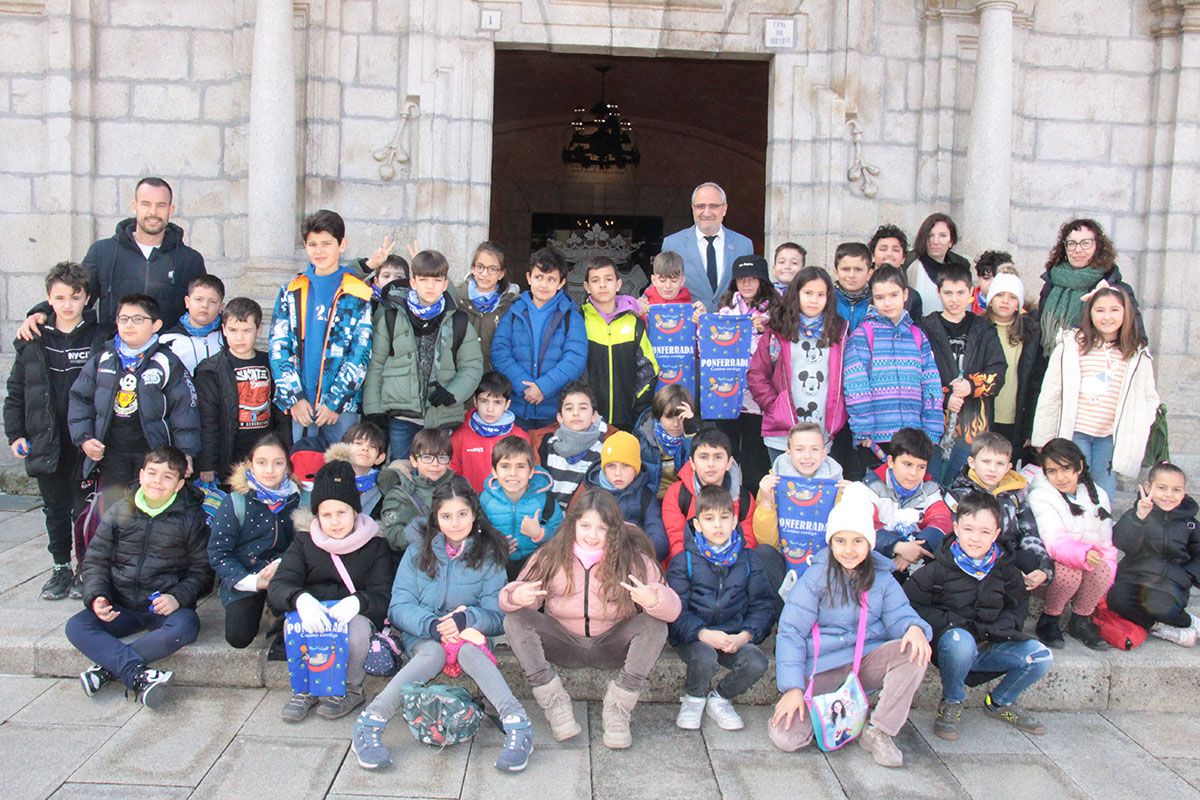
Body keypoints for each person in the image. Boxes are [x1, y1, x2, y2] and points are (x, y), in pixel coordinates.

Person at [352, 475, 533, 773]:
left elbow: (498, 614)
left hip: (471, 633)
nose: (455, 523)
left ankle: (517, 723)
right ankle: (371, 721)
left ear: (474, 514)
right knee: (432, 653)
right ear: (435, 517)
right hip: (424, 632)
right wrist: (433, 625)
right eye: (446, 516)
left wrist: (466, 619)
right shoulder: (416, 551)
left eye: (462, 514)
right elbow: (399, 606)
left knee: (469, 651)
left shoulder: (489, 554)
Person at [500, 489, 682, 749]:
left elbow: (673, 609)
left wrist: (653, 599)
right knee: (514, 621)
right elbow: (511, 597)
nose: (592, 535)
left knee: (655, 624)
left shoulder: (634, 559)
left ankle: (619, 707)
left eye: (602, 528)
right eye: (585, 525)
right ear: (573, 524)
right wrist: (517, 596)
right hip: (563, 643)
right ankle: (554, 702)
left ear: (614, 530)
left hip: (613, 645)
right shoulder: (551, 555)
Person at [769, 484, 932, 767]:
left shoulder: (882, 579)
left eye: (857, 541)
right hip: (821, 668)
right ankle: (836, 710)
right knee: (787, 738)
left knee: (914, 650)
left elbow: (900, 615)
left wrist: (914, 628)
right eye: (840, 541)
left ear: (869, 543)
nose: (848, 550)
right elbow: (791, 632)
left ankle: (879, 730)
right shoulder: (815, 578)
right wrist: (793, 688)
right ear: (830, 543)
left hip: (864, 665)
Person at [65, 446, 213, 708]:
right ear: (141, 474)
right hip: (120, 604)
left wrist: (177, 597)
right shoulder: (120, 510)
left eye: (167, 477)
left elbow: (203, 571)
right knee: (76, 626)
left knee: (185, 626)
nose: (157, 481)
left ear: (179, 485)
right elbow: (96, 559)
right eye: (152, 473)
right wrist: (98, 596)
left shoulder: (192, 518)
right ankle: (138, 675)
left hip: (161, 605)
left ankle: (108, 669)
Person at [904, 490, 1051, 741]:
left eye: (985, 532)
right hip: (953, 646)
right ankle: (951, 701)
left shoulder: (1006, 569)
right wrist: (950, 624)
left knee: (1040, 656)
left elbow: (1018, 606)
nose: (975, 538)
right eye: (968, 529)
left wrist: (1002, 627)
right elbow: (911, 605)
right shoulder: (937, 569)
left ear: (996, 534)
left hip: (990, 642)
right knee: (960, 640)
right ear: (956, 528)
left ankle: (1000, 702)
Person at [5, 261, 105, 600]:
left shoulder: (100, 336)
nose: (67, 305)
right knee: (55, 509)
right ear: (49, 299)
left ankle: (85, 569)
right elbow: (17, 392)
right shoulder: (32, 339)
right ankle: (60, 567)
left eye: (75, 298)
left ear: (87, 299)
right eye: (60, 297)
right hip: (46, 440)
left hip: (85, 441)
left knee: (85, 508)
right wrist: (16, 434)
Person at [268, 458, 394, 721]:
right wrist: (299, 598)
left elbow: (384, 595)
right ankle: (305, 689)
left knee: (358, 629)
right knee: (296, 622)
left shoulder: (375, 545)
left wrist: (359, 601)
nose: (335, 522)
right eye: (326, 515)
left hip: (352, 617)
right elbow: (280, 585)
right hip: (314, 614)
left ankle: (351, 688)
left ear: (355, 511)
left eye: (342, 513)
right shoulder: (304, 541)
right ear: (317, 515)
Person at [18, 177, 206, 338]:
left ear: (171, 209)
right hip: (113, 355)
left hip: (169, 358)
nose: (153, 212)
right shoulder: (103, 252)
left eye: (161, 205)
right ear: (135, 206)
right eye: (146, 204)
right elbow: (76, 292)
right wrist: (41, 312)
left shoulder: (190, 260)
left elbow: (203, 307)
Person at [1032, 283, 1159, 500]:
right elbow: (1051, 392)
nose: (1107, 317)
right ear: (1089, 313)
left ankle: (1099, 533)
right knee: (1072, 489)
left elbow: (1148, 397)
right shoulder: (1072, 345)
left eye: (1114, 310)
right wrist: (1043, 437)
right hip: (1076, 432)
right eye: (1100, 310)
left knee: (1102, 493)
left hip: (1109, 437)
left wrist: (1137, 427)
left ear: (1126, 313)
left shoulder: (1135, 353)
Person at [68, 293, 201, 496]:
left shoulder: (167, 362)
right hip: (112, 452)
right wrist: (85, 438)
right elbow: (80, 399)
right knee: (115, 511)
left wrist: (187, 452)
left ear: (156, 325)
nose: (129, 325)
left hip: (153, 453)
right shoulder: (103, 359)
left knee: (149, 506)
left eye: (138, 319)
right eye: (124, 319)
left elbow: (185, 409)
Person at [667, 485, 774, 731]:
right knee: (705, 657)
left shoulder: (748, 560)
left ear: (735, 520)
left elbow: (763, 606)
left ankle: (721, 697)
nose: (718, 525)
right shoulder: (684, 561)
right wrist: (702, 633)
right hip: (694, 636)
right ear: (697, 524)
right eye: (709, 518)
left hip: (731, 635)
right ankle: (694, 697)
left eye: (724, 518)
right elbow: (675, 612)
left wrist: (745, 635)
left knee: (756, 662)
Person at [363, 248, 483, 460]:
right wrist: (373, 409)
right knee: (400, 471)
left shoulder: (458, 321)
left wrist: (453, 393)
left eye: (437, 280)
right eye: (424, 279)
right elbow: (377, 364)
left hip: (441, 414)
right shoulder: (391, 317)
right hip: (401, 415)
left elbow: (472, 366)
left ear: (445, 284)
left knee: (437, 472)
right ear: (413, 282)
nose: (430, 286)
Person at [269, 210, 374, 449]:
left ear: (342, 244)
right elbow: (278, 347)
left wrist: (336, 401)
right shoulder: (292, 290)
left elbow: (360, 352)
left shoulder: (357, 293)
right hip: (302, 404)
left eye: (327, 243)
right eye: (313, 244)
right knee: (304, 467)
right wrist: (294, 397)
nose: (319, 251)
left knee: (342, 470)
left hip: (340, 406)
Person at [843, 266, 944, 472]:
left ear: (905, 294)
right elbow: (855, 385)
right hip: (875, 437)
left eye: (893, 295)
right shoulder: (864, 335)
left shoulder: (917, 335)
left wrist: (931, 429)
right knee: (878, 492)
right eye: (880, 297)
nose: (887, 303)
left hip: (912, 437)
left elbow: (931, 384)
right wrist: (863, 430)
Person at [206, 433, 300, 651]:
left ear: (287, 466)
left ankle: (276, 608)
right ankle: (260, 603)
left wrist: (281, 564)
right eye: (262, 463)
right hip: (246, 574)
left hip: (285, 572)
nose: (270, 470)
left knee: (290, 628)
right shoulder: (236, 501)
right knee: (239, 637)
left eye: (278, 463)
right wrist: (250, 581)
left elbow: (303, 544)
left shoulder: (297, 498)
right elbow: (218, 552)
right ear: (250, 465)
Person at [747, 265, 847, 465]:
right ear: (796, 294)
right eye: (808, 293)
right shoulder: (777, 329)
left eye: (820, 294)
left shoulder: (838, 331)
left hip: (821, 430)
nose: (814, 300)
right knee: (784, 489)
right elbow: (756, 374)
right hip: (783, 429)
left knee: (817, 489)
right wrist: (774, 406)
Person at [917, 264, 1006, 486]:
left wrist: (972, 386)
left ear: (970, 293)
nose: (954, 299)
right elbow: (916, 373)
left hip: (973, 424)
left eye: (960, 293)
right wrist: (945, 397)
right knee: (932, 482)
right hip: (933, 422)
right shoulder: (925, 327)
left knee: (966, 483)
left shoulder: (983, 328)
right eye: (948, 293)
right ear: (938, 293)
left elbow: (998, 370)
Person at [1027, 438, 1115, 651]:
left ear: (1080, 466)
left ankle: (1081, 619)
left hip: (1086, 562)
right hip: (1050, 567)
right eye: (1053, 471)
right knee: (1070, 571)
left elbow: (1106, 543)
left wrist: (1107, 574)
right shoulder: (1040, 495)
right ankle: (1050, 618)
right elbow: (1053, 540)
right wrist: (1083, 553)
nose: (1060, 477)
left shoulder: (1099, 495)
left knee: (1102, 568)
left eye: (1066, 468)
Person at [945, 433, 1054, 598]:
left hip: (1010, 554)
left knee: (1029, 561)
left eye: (1000, 463)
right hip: (975, 557)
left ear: (1009, 467)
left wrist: (1044, 568)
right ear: (972, 462)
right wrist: (1008, 570)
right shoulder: (959, 495)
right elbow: (959, 540)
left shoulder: (1016, 494)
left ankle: (1017, 610)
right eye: (986, 461)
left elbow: (1030, 532)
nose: (992, 469)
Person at [194, 297, 287, 487]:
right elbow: (208, 419)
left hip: (265, 453)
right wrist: (207, 463)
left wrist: (285, 451)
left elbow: (281, 414)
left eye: (247, 331)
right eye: (233, 330)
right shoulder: (211, 369)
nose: (240, 337)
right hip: (228, 455)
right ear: (224, 329)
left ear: (258, 329)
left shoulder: (272, 363)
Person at [491, 247, 588, 429]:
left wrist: (543, 387)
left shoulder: (571, 317)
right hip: (516, 409)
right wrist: (525, 387)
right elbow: (499, 352)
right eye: (538, 277)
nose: (543, 285)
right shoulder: (513, 312)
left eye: (551, 279)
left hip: (554, 413)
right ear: (529, 278)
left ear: (561, 283)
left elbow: (575, 359)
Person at [1108, 462, 1200, 646]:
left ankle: (1186, 621)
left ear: (1184, 493)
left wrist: (1188, 575)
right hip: (1134, 579)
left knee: (1159, 604)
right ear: (1148, 487)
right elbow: (1121, 541)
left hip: (1170, 586)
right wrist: (1139, 518)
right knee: (1116, 599)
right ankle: (1160, 628)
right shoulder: (1138, 514)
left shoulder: (1190, 524)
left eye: (1176, 490)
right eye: (1162, 488)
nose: (1169, 495)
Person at [752, 422, 845, 601]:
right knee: (763, 553)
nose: (807, 456)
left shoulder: (838, 485)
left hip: (823, 566)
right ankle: (781, 619)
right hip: (784, 563)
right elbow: (767, 542)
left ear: (824, 453)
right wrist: (766, 502)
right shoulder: (772, 483)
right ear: (788, 451)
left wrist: (852, 501)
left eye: (814, 449)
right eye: (800, 449)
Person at [714, 254, 777, 490]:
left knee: (754, 456)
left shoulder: (776, 311)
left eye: (752, 278)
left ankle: (752, 507)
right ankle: (726, 501)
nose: (747, 284)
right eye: (742, 279)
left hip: (758, 397)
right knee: (726, 452)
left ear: (762, 281)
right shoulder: (725, 309)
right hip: (726, 395)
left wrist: (769, 327)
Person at [1038, 218, 1145, 358]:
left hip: (1095, 368)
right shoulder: (1051, 285)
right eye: (1071, 243)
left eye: (1086, 243)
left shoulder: (1116, 289)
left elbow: (1137, 336)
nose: (1078, 249)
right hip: (1052, 367)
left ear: (1098, 246)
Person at [581, 256, 659, 431]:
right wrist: (584, 404)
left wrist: (636, 406)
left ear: (618, 284)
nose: (602, 285)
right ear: (586, 287)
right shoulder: (580, 321)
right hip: (588, 420)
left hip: (626, 419)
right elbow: (574, 369)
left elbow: (648, 369)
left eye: (608, 279)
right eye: (595, 280)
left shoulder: (633, 322)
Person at [863, 427, 953, 576]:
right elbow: (863, 527)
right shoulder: (871, 487)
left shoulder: (930, 489)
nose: (914, 473)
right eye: (907, 464)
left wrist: (916, 550)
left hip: (917, 566)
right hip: (875, 567)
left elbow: (941, 521)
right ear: (891, 461)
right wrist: (897, 546)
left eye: (921, 467)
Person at [662, 428, 759, 562]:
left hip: (732, 567)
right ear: (692, 463)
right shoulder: (677, 493)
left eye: (718, 457)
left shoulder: (744, 498)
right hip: (689, 567)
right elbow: (676, 541)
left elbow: (747, 543)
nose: (711, 464)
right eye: (703, 457)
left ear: (729, 463)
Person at [659, 182, 755, 310]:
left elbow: (753, 287)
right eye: (700, 206)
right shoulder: (673, 244)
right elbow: (661, 284)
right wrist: (637, 304)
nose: (706, 212)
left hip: (730, 325)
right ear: (693, 209)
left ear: (724, 209)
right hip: (690, 324)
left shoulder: (744, 245)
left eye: (713, 206)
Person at [575, 430, 667, 561]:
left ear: (636, 469)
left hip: (632, 559)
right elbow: (574, 530)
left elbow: (659, 538)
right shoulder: (590, 493)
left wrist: (635, 550)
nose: (618, 473)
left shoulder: (645, 496)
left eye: (626, 466)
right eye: (611, 466)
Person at [481, 436, 563, 579]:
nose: (513, 473)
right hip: (496, 566)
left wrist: (539, 533)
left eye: (520, 466)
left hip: (536, 566)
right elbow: (476, 534)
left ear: (531, 471)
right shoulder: (485, 500)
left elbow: (561, 534)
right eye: (505, 466)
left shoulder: (545, 499)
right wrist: (494, 545)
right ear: (494, 471)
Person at [984, 272, 1040, 464]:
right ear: (990, 300)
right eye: (999, 295)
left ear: (1019, 304)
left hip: (1014, 413)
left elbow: (1033, 380)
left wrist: (1029, 426)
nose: (1005, 301)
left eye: (1012, 297)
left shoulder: (1030, 332)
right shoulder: (977, 327)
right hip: (984, 412)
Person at [378, 427, 456, 554]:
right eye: (427, 457)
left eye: (442, 458)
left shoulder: (458, 486)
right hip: (419, 560)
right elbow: (393, 537)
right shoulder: (399, 495)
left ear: (449, 462)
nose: (435, 464)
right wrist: (427, 530)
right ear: (414, 461)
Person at [450, 371, 530, 493]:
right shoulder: (460, 437)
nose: (490, 409)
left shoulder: (520, 436)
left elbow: (527, 473)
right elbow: (452, 474)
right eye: (484, 401)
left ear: (507, 404)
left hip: (507, 505)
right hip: (472, 504)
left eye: (497, 402)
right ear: (475, 402)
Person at [537, 379, 610, 508]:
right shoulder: (545, 446)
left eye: (583, 408)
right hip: (547, 521)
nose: (576, 413)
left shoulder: (604, 450)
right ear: (559, 417)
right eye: (569, 408)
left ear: (594, 415)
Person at [454, 241, 519, 372]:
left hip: (495, 381)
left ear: (501, 274)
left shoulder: (511, 304)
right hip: (461, 375)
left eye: (492, 269)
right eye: (480, 267)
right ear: (473, 268)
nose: (484, 274)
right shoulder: (457, 298)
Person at [633, 384, 696, 499]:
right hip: (651, 499)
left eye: (681, 417)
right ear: (658, 416)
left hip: (682, 498)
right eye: (669, 417)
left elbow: (693, 474)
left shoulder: (693, 436)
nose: (676, 424)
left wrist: (690, 435)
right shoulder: (643, 436)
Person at [905, 212, 971, 315]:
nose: (935, 241)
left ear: (951, 241)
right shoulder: (910, 264)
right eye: (930, 235)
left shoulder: (961, 266)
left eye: (942, 235)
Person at [158, 275, 225, 374]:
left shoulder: (228, 337)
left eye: (212, 301)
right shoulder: (168, 341)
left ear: (221, 307)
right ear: (187, 302)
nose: (205, 305)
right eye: (199, 299)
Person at [332, 421, 388, 518]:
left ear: (380, 458)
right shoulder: (329, 479)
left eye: (372, 446)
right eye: (358, 443)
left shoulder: (384, 488)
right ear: (343, 448)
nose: (365, 448)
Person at [868, 224, 923, 319]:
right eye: (883, 249)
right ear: (872, 256)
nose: (889, 254)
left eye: (895, 250)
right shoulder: (862, 291)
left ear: (903, 259)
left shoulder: (912, 297)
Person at [832, 241, 874, 333]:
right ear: (836, 272)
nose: (851, 275)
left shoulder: (876, 303)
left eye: (858, 269)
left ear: (869, 273)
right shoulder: (827, 300)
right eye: (845, 269)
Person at [970, 251, 1012, 316]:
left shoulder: (1017, 311)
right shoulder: (964, 305)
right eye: (987, 278)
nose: (992, 284)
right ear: (978, 277)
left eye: (998, 279)